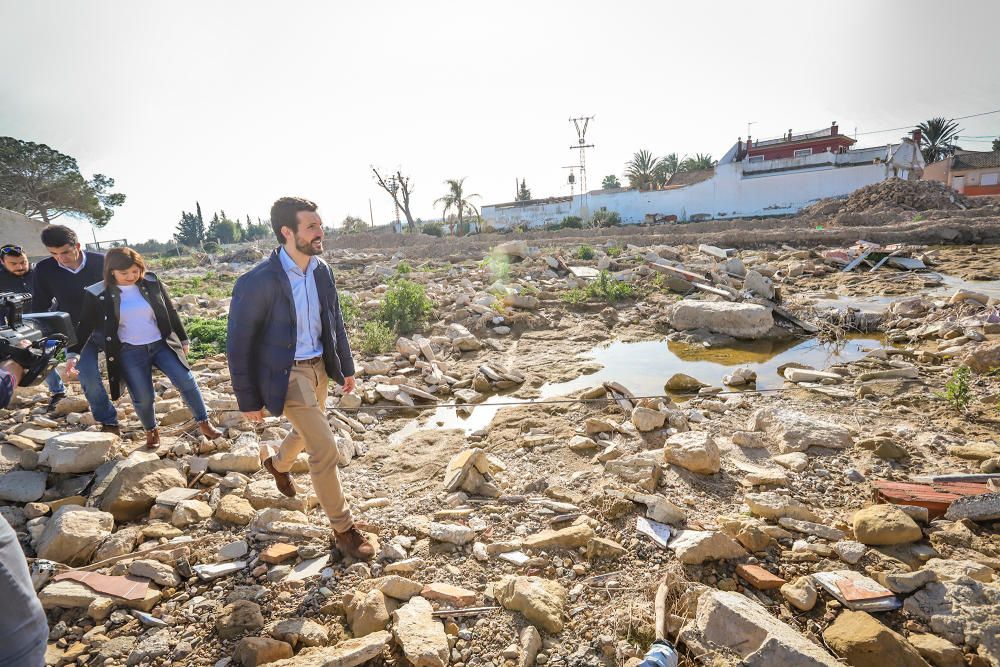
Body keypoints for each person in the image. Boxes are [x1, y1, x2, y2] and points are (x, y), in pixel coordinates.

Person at [227, 196, 374, 560]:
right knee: (324, 448)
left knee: (307, 431)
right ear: (287, 232)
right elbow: (239, 343)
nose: (320, 232)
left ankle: (276, 465)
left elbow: (334, 321)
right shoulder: (257, 281)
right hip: (285, 373)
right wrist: (249, 400)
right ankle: (343, 530)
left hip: (319, 367)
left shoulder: (322, 270)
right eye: (312, 226)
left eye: (320, 225)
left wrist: (346, 367)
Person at [77, 247, 222, 446]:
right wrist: (72, 353)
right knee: (143, 397)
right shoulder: (98, 293)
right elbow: (85, 325)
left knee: (186, 380)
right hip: (129, 351)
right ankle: (151, 430)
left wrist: (183, 339)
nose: (131, 277)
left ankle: (204, 422)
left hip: (161, 344)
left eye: (136, 271)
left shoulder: (151, 282)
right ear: (112, 271)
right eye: (125, 273)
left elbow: (169, 311)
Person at [31, 225, 120, 432]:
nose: (60, 258)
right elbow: (40, 306)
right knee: (88, 377)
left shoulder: (102, 262)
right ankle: (108, 421)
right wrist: (42, 335)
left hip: (110, 327)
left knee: (130, 370)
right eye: (53, 254)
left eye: (64, 252)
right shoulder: (44, 269)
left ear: (77, 246)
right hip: (75, 332)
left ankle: (145, 414)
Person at [0, 243, 66, 410]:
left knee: (52, 357)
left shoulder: (40, 272)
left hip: (47, 323)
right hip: (15, 330)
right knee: (30, 359)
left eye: (23, 262)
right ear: (2, 262)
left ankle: (59, 391)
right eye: (13, 264)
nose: (20, 266)